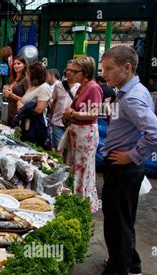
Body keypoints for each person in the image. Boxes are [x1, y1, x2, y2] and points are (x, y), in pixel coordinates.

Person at [84, 45, 157, 275]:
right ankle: (131, 265)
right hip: (125, 167)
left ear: (126, 68)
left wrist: (131, 155)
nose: (104, 74)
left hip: (124, 168)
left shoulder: (131, 97)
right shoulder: (130, 92)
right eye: (103, 68)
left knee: (116, 222)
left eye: (109, 69)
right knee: (124, 220)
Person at [62, 56, 102, 213]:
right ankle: (75, 198)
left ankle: (84, 203)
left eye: (74, 71)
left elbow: (94, 113)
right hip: (76, 132)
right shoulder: (80, 87)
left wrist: (73, 114)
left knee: (84, 168)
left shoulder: (94, 88)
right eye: (69, 70)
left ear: (85, 72)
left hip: (86, 134)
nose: (70, 73)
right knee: (74, 165)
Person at [14, 61, 51, 148]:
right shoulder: (32, 87)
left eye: (28, 74)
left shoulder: (44, 87)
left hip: (35, 126)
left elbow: (39, 109)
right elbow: (21, 100)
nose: (27, 76)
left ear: (35, 75)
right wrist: (22, 106)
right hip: (25, 124)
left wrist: (23, 109)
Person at [49, 61, 80, 152]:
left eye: (72, 70)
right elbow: (54, 101)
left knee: (69, 149)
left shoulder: (80, 87)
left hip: (72, 122)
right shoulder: (58, 85)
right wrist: (51, 116)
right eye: (67, 70)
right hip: (57, 121)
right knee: (59, 148)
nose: (69, 72)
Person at [3, 55, 29, 127]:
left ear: (24, 65)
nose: (16, 66)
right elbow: (8, 96)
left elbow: (28, 100)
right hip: (10, 112)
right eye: (14, 64)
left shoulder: (26, 80)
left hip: (19, 114)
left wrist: (12, 95)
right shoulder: (12, 79)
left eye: (18, 63)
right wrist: (5, 93)